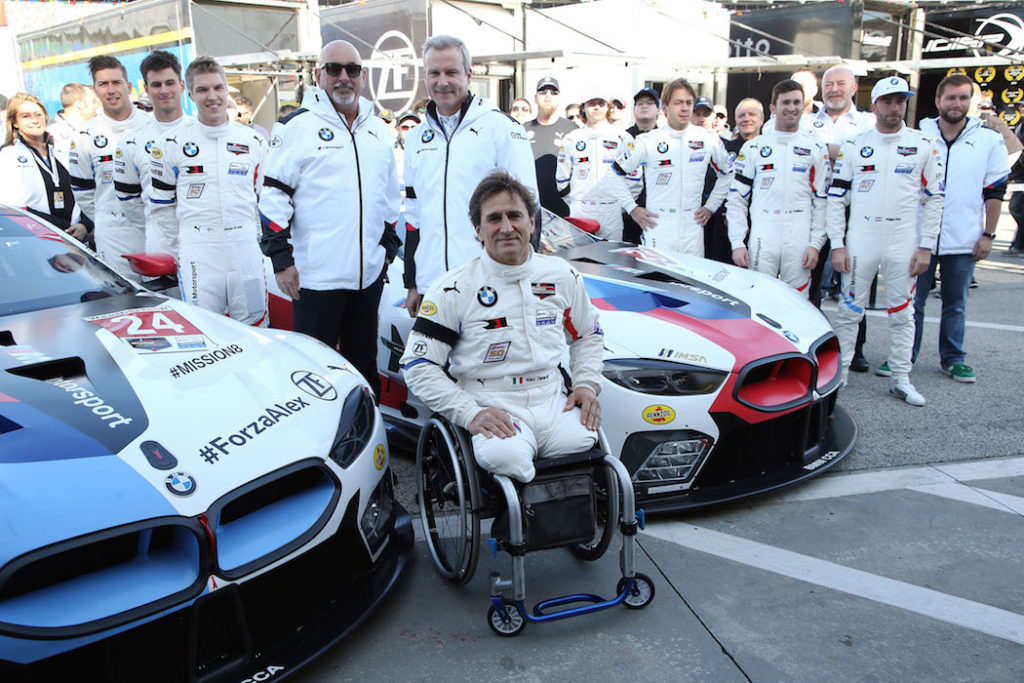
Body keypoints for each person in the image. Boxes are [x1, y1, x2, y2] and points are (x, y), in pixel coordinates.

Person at [399, 170, 603, 483]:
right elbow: (417, 364)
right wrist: (469, 413)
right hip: (493, 403)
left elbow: (588, 335)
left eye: (515, 216)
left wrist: (586, 385)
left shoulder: (562, 276)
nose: (506, 228)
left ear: (532, 222)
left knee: (583, 440)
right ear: (478, 230)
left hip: (551, 398)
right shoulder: (453, 289)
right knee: (506, 457)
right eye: (494, 219)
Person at [259, 40, 401, 397]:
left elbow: (389, 198)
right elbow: (272, 196)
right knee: (314, 370)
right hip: (316, 279)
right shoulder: (295, 127)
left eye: (352, 70)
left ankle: (369, 440)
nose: (343, 77)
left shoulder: (378, 130)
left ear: (363, 77)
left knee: (364, 365)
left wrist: (387, 245)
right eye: (333, 69)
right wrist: (280, 259)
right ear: (318, 75)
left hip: (366, 279)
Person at [827, 76, 944, 406]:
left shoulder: (923, 144)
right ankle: (842, 374)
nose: (895, 108)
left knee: (903, 313)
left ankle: (900, 378)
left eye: (901, 101)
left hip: (902, 238)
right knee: (850, 311)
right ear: (875, 105)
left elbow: (935, 197)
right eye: (889, 101)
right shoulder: (854, 145)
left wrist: (926, 246)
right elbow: (836, 198)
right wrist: (838, 243)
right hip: (861, 237)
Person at [402, 34, 538, 316]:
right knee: (432, 362)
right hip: (433, 284)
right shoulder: (416, 138)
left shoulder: (501, 128)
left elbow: (528, 209)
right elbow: (414, 219)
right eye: (434, 73)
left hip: (489, 283)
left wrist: (523, 279)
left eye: (451, 72)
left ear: (468, 74)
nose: (442, 82)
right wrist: (413, 281)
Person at [148, 56, 268, 326]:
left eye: (218, 88)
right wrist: (182, 245)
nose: (212, 96)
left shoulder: (254, 140)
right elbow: (161, 207)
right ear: (189, 93)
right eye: (202, 90)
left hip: (245, 247)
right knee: (205, 327)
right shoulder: (170, 142)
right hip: (198, 252)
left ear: (227, 90)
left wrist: (257, 238)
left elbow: (267, 200)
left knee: (255, 325)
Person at [910, 73, 1009, 384]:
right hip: (919, 238)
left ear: (972, 102)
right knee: (912, 303)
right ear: (938, 100)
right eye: (950, 97)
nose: (956, 103)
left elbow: (994, 191)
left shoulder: (988, 139)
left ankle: (953, 359)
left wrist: (988, 235)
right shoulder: (918, 134)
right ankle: (904, 357)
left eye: (963, 98)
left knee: (956, 304)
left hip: (964, 239)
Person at [601, 78, 732, 257]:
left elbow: (728, 173)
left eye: (688, 102)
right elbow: (612, 174)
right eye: (678, 102)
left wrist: (711, 206)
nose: (684, 108)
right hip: (658, 226)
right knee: (657, 283)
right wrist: (632, 208)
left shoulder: (708, 139)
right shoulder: (647, 140)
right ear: (665, 108)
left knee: (691, 282)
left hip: (692, 227)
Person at [727, 80, 830, 294]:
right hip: (764, 230)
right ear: (773, 108)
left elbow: (822, 202)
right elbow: (737, 199)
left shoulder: (816, 148)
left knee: (798, 300)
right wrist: (737, 241)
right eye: (785, 102)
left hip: (799, 232)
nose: (791, 108)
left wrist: (815, 243)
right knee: (758, 296)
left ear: (804, 106)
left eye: (796, 102)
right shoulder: (754, 147)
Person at [68, 55, 151, 278]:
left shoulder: (152, 125)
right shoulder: (85, 135)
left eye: (116, 82)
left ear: (129, 86)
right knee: (124, 300)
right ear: (95, 90)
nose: (111, 90)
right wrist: (108, 217)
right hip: (113, 232)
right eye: (103, 84)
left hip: (154, 227)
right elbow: (83, 193)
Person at [113, 50, 190, 257]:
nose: (164, 90)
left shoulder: (201, 133)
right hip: (161, 245)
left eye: (170, 83)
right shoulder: (130, 143)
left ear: (182, 85)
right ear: (146, 89)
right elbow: (129, 202)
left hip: (204, 240)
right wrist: (159, 224)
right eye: (156, 85)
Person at [0, 93, 89, 240]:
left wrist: (84, 225)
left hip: (76, 240)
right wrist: (59, 230)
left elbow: (85, 191)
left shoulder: (62, 149)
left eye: (38, 114)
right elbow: (13, 207)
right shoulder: (8, 154)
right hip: (38, 241)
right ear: (15, 122)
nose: (34, 120)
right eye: (26, 116)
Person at [555, 96, 638, 240]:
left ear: (607, 107)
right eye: (591, 104)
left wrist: (621, 205)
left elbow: (635, 178)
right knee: (580, 259)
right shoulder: (572, 139)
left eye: (601, 103)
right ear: (584, 107)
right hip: (581, 211)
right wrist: (575, 203)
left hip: (612, 211)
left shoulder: (623, 137)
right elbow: (562, 178)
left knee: (611, 259)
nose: (596, 107)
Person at [703, 97, 764, 263]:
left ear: (762, 119)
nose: (746, 119)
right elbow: (714, 182)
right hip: (724, 224)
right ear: (735, 119)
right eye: (742, 115)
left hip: (759, 225)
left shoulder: (769, 150)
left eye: (752, 114)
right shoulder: (725, 149)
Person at [525, 76, 577, 218]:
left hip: (564, 211)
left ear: (559, 98)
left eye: (553, 93)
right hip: (532, 210)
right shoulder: (522, 130)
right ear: (535, 98)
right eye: (543, 92)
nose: (548, 96)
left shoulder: (573, 130)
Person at [621, 87, 660, 245]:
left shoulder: (665, 138)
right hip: (628, 212)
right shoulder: (624, 137)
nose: (644, 106)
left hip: (656, 213)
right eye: (640, 103)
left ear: (658, 109)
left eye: (650, 103)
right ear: (634, 109)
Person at [48, 83, 98, 169]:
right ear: (80, 105)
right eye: (93, 102)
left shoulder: (95, 127)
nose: (96, 106)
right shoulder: (52, 134)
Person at [1008, 100, 1024, 256]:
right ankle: (1018, 244)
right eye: (1021, 106)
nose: (1022, 108)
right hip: (1019, 175)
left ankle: (1019, 244)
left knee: (1017, 207)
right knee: (1017, 208)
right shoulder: (1020, 126)